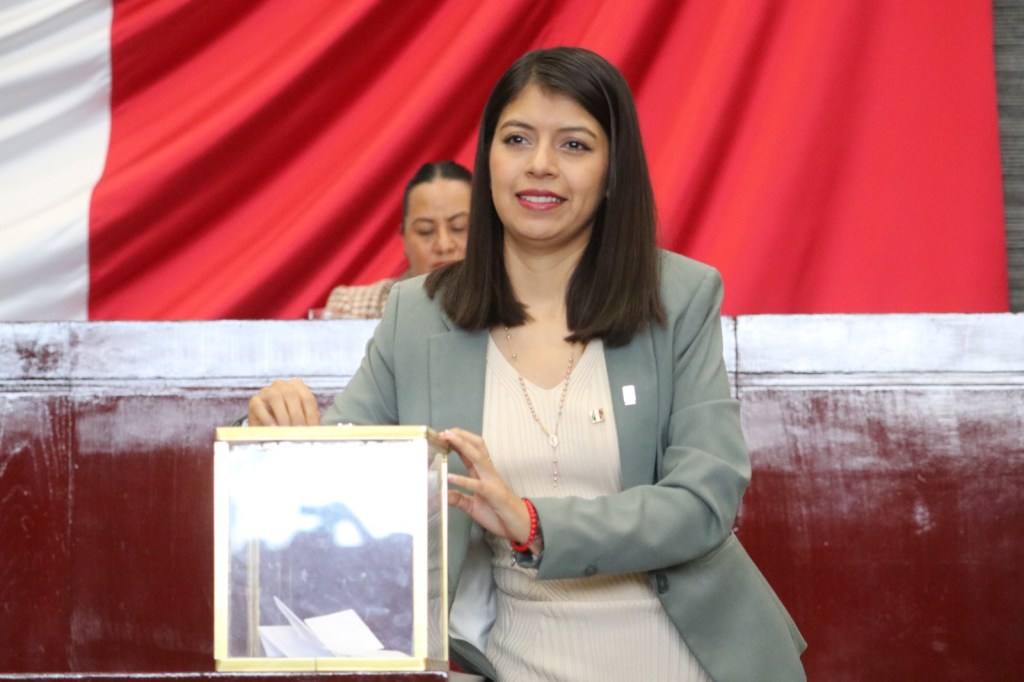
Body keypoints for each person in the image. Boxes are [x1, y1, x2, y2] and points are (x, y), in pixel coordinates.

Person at [249, 47, 806, 681]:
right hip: (511, 662)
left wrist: (533, 524)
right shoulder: (421, 313)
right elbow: (337, 469)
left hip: (682, 658)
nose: (540, 164)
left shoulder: (678, 296)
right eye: (517, 139)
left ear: (613, 170)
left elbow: (705, 501)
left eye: (574, 145)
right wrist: (272, 430)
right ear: (488, 157)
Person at [321, 160, 471, 318]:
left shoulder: (491, 309)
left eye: (459, 227)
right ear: (404, 239)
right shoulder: (352, 308)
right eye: (425, 231)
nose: (443, 245)